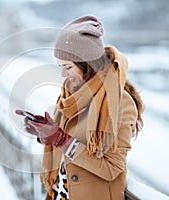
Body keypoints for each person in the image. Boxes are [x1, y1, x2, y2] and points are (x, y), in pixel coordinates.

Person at [16, 15, 143, 200]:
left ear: (87, 64)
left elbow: (112, 168)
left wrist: (60, 139)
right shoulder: (71, 94)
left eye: (67, 67)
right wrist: (45, 132)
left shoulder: (119, 103)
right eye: (60, 66)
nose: (62, 73)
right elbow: (68, 142)